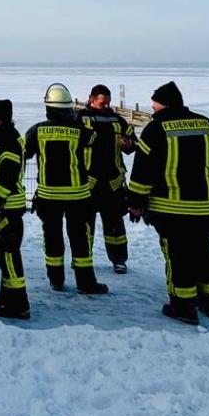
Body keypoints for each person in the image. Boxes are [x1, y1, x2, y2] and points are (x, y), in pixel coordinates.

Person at [126, 81, 209, 325]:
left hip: (170, 207)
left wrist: (135, 201)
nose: (152, 107)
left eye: (154, 102)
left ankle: (183, 305)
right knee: (203, 252)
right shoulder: (206, 124)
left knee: (178, 256)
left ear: (163, 103)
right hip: (204, 207)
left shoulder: (156, 129)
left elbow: (143, 170)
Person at [24, 83, 106, 294]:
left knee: (52, 238)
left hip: (48, 196)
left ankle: (56, 279)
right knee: (80, 240)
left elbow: (22, 156)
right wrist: (90, 184)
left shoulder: (36, 131)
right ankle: (86, 283)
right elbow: (99, 156)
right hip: (78, 196)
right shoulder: (82, 131)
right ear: (69, 108)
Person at [81, 83, 138, 275]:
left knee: (115, 225)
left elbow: (133, 145)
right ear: (91, 99)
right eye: (102, 103)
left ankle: (119, 259)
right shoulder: (79, 119)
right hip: (87, 181)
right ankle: (83, 260)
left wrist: (128, 144)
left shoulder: (118, 121)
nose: (106, 106)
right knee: (84, 225)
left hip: (113, 182)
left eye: (108, 103)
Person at [0, 99, 31, 319]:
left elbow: (8, 178)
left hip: (8, 209)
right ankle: (7, 295)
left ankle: (18, 304)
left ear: (1, 119)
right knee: (3, 256)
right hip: (4, 208)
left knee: (9, 258)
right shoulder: (2, 138)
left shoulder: (9, 142)